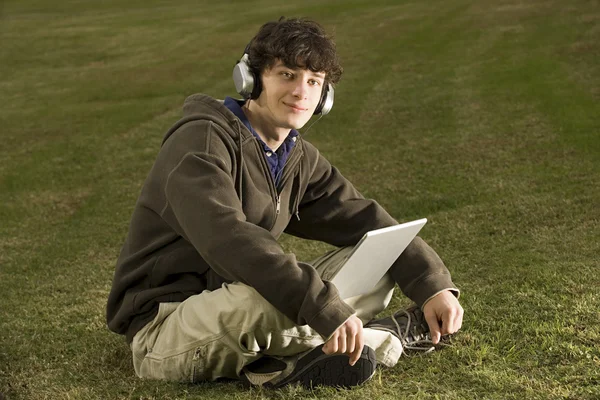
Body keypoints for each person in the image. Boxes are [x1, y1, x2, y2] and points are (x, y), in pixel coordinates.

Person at [106, 17, 463, 389]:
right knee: (265, 302)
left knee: (380, 257)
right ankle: (381, 339)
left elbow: (367, 219)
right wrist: (323, 306)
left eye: (314, 82)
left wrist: (432, 285)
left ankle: (289, 359)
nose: (301, 92)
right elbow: (228, 237)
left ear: (325, 97)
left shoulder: (296, 156)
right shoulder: (201, 140)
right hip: (165, 325)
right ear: (252, 78)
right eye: (287, 75)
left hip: (236, 304)